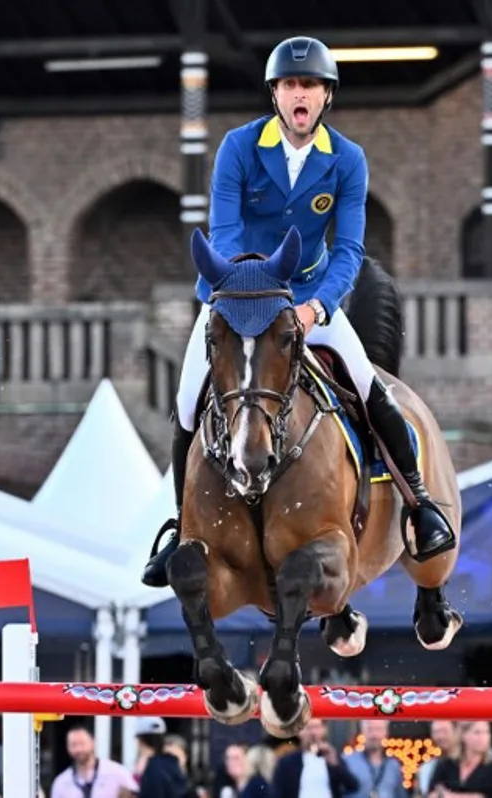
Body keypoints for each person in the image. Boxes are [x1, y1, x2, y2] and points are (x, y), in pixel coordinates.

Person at [139, 34, 457, 589]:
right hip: (238, 300)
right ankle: (180, 527)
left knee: (367, 385)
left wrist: (316, 307)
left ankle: (419, 502)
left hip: (310, 296)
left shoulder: (347, 161)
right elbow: (227, 233)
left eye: (309, 84)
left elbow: (351, 249)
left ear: (326, 96)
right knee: (189, 400)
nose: (299, 93)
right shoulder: (238, 148)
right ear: (276, 95)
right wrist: (252, 299)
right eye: (289, 84)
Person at [49, 724, 138, 798]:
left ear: (93, 742)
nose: (78, 749)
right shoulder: (61, 782)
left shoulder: (117, 772)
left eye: (82, 743)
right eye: (73, 745)